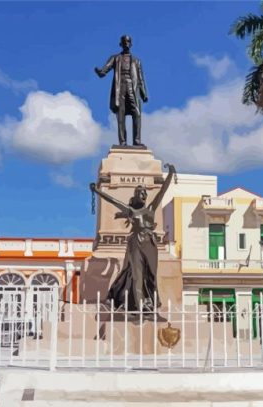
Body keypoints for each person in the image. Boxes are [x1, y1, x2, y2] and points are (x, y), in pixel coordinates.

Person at [89, 164, 176, 313]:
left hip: (150, 242)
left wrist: (170, 174)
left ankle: (153, 302)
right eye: (140, 193)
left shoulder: (151, 209)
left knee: (152, 275)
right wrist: (97, 191)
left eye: (144, 193)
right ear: (136, 195)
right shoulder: (131, 211)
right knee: (137, 274)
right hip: (136, 242)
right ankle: (139, 304)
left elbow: (162, 191)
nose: (143, 195)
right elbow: (112, 200)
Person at [95, 35, 148, 147]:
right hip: (120, 87)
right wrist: (101, 72)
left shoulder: (136, 61)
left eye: (128, 42)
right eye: (124, 42)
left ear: (131, 44)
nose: (126, 44)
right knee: (121, 115)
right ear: (121, 44)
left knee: (137, 113)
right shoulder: (115, 58)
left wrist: (144, 94)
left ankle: (136, 140)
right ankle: (122, 142)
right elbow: (106, 68)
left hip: (132, 87)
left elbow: (140, 78)